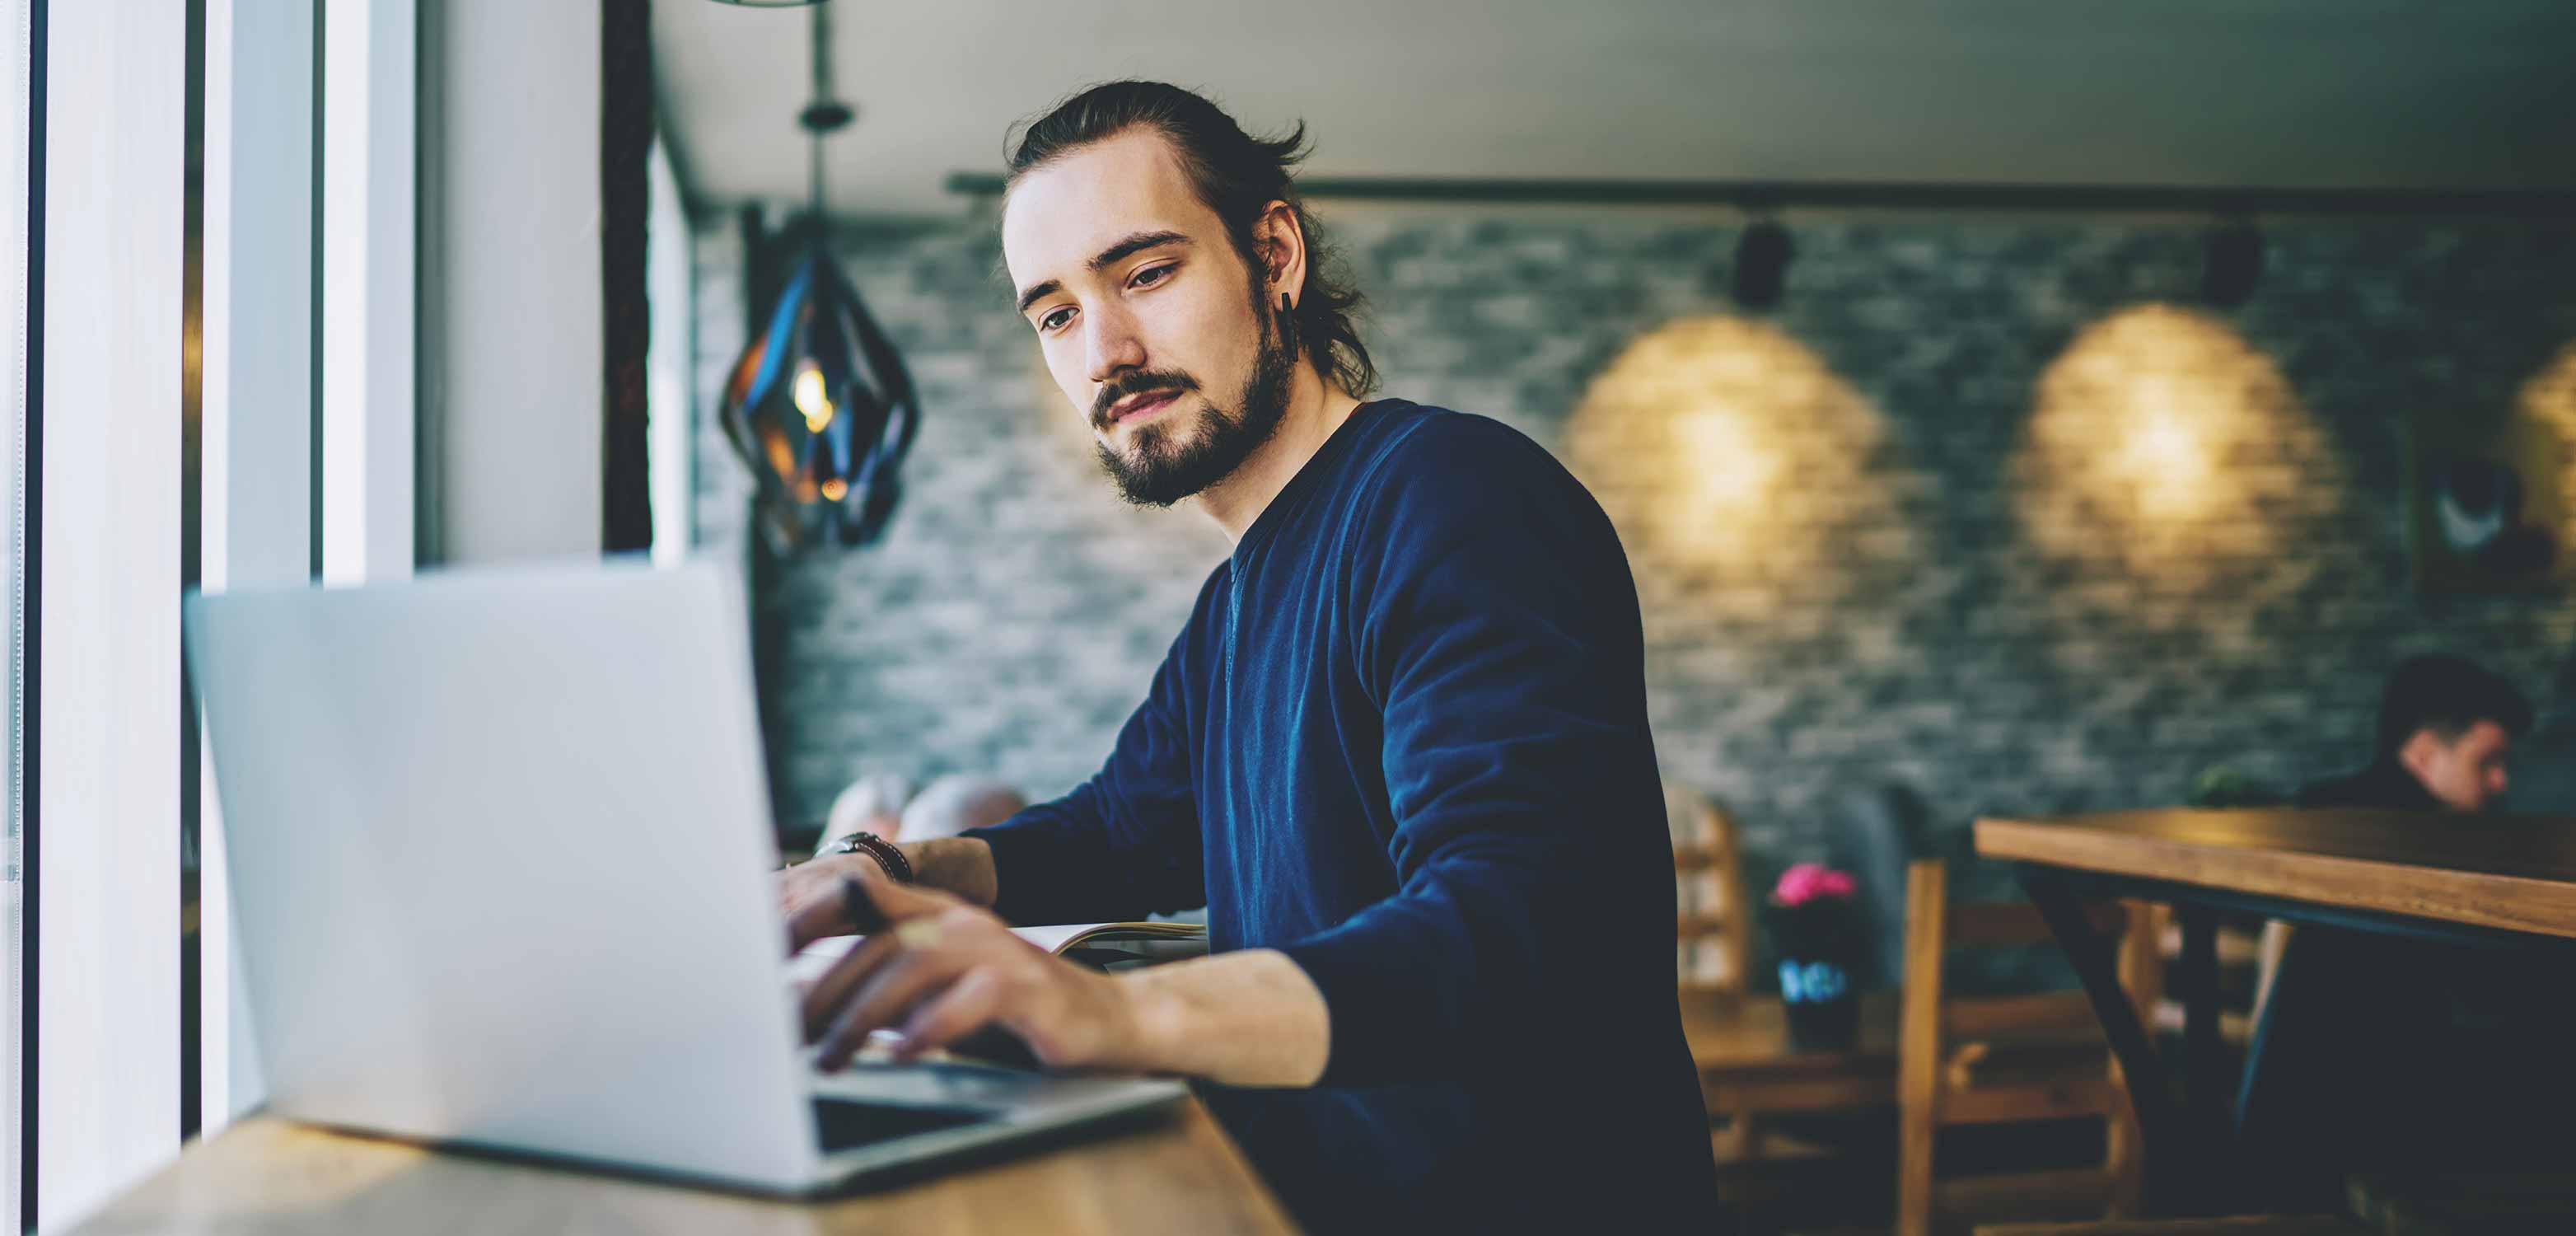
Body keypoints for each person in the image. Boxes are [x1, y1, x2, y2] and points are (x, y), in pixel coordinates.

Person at [774, 81, 1718, 1230]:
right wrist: (886, 876)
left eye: (1144, 273)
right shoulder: (1234, 604)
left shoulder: (1454, 500)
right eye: (1057, 313)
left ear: (1273, 255)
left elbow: (1515, 920)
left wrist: (1116, 1016)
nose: (1107, 352)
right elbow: (1120, 830)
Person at [2294, 653, 2530, 812]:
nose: (2500, 782)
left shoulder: (2316, 808)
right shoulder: (2332, 821)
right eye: (2486, 761)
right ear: (2423, 755)